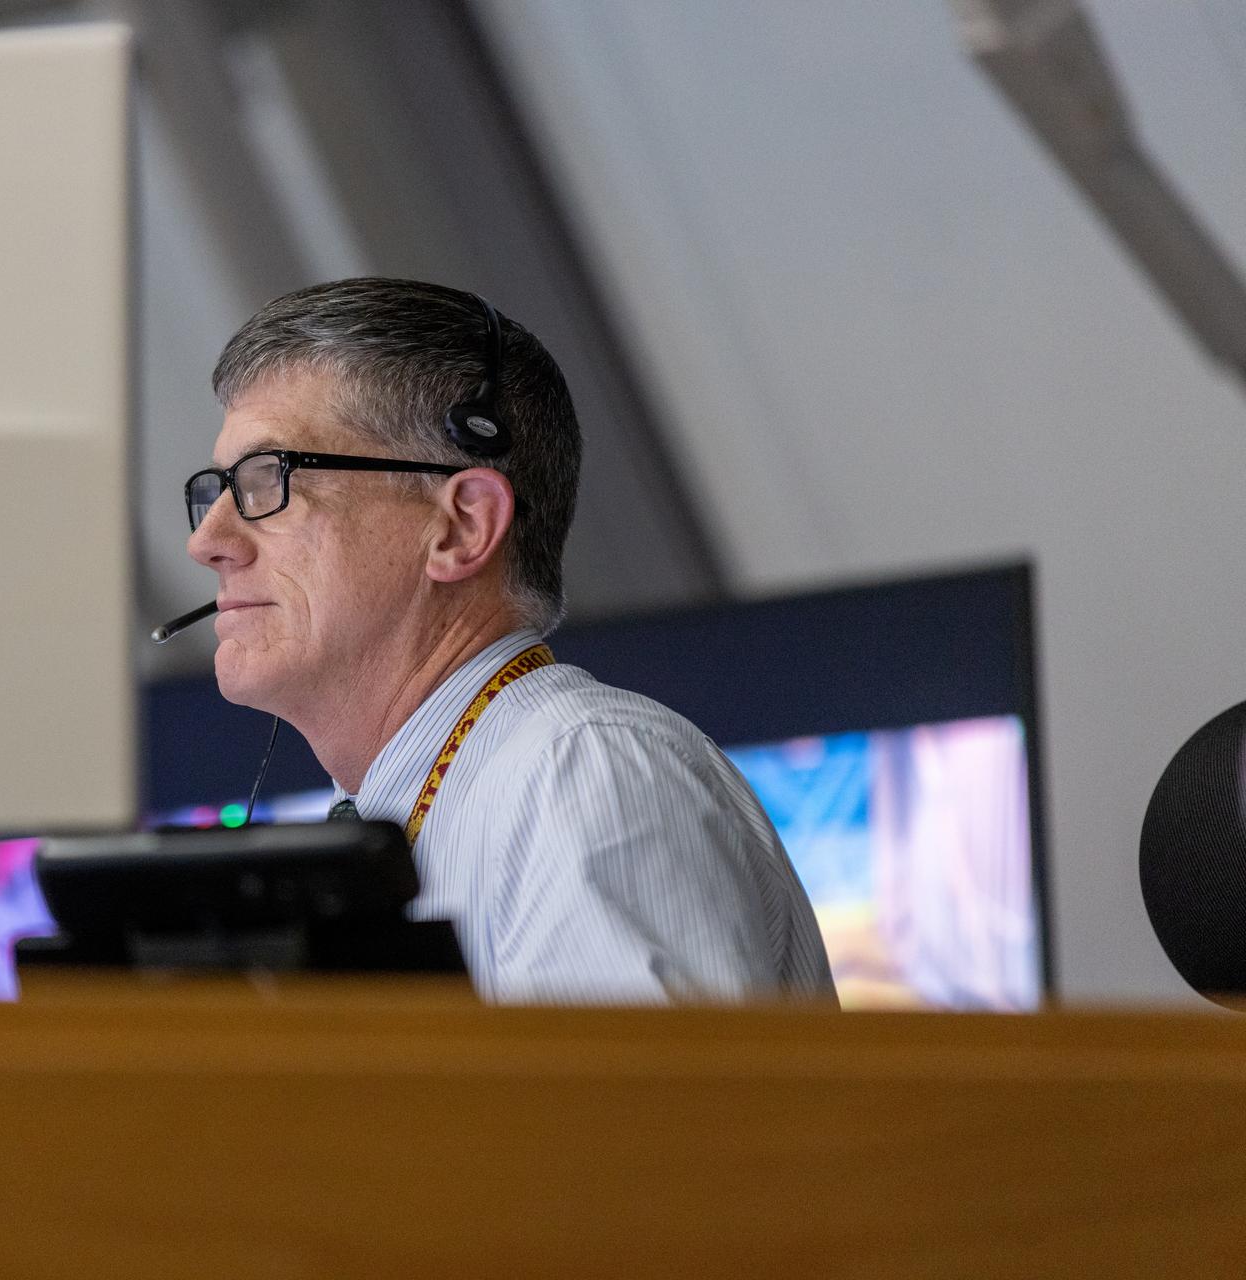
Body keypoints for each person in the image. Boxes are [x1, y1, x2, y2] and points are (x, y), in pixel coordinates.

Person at [183, 277, 835, 1005]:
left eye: (269, 481)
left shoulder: (581, 774)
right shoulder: (443, 797)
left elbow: (644, 1123)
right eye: (216, 489)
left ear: (461, 527)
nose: (207, 541)